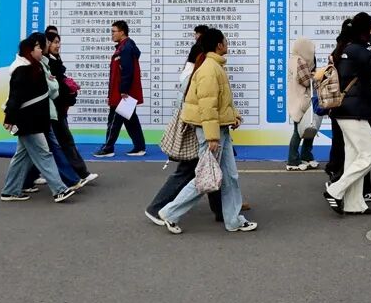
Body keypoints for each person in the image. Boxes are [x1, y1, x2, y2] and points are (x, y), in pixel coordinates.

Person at [157, 28, 257, 233]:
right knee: (205, 177)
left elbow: (221, 102)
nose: (227, 44)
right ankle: (170, 212)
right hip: (213, 132)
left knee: (230, 177)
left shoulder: (214, 66)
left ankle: (233, 220)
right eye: (225, 41)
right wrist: (212, 137)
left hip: (220, 130)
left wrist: (234, 116)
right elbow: (207, 106)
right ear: (219, 45)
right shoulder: (210, 69)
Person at [322, 12, 371, 216]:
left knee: (353, 157)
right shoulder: (356, 50)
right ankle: (335, 190)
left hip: (346, 110)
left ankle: (354, 204)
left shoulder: (346, 48)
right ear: (365, 30)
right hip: (354, 111)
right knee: (370, 155)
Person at [0, 37, 75, 203]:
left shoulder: (35, 67)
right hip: (28, 122)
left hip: (34, 121)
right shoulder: (22, 70)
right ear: (30, 51)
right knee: (44, 154)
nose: (42, 50)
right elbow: (15, 97)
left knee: (21, 157)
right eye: (38, 47)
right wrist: (9, 118)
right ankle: (59, 190)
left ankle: (9, 191)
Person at [46, 31, 97, 185]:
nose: (58, 45)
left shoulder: (54, 60)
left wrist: (70, 89)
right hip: (54, 110)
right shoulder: (47, 64)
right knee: (63, 142)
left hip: (58, 109)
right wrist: (69, 91)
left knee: (46, 147)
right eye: (54, 42)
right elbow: (55, 88)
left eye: (58, 42)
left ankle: (29, 179)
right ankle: (79, 174)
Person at [94, 20, 146, 157]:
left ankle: (108, 148)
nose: (111, 34)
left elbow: (127, 71)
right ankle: (139, 147)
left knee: (114, 121)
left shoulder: (126, 48)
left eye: (113, 31)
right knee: (131, 121)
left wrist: (123, 91)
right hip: (121, 93)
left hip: (123, 94)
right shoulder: (123, 47)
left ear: (122, 32)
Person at [286, 36, 319, 171]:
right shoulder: (300, 61)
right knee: (299, 131)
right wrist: (317, 77)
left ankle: (306, 156)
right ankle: (293, 160)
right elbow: (306, 81)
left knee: (309, 128)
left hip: (299, 100)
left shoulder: (293, 59)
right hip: (302, 101)